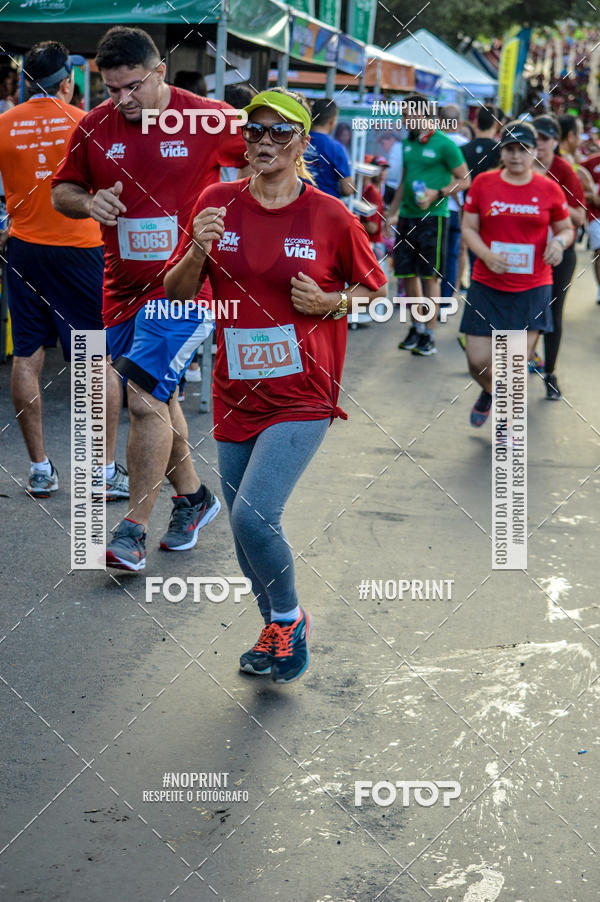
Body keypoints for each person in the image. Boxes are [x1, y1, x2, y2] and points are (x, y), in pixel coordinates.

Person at [163, 87, 387, 684]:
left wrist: (334, 301)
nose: (263, 142)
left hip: (304, 389)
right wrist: (198, 247)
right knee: (242, 521)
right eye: (254, 131)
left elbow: (374, 288)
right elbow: (178, 292)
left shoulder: (330, 215)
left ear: (301, 143)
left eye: (278, 132)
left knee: (255, 517)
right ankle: (275, 630)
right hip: (234, 387)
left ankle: (289, 621)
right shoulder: (215, 202)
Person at [52, 26, 246, 570]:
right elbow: (61, 191)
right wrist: (88, 204)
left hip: (186, 289)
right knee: (162, 400)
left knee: (140, 397)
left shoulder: (207, 118)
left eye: (132, 87)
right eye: (111, 90)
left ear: (159, 71)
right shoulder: (95, 127)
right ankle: (194, 497)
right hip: (119, 289)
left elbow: (269, 153)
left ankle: (132, 529)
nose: (122, 100)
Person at [0, 41, 128, 500]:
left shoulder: (3, 124)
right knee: (95, 362)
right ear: (68, 82)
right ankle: (103, 472)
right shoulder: (88, 122)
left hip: (24, 251)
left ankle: (39, 469)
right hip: (81, 252)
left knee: (26, 357)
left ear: (26, 82)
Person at [460, 121, 574, 427]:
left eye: (523, 149)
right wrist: (485, 255)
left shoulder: (548, 188)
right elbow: (468, 227)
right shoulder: (484, 183)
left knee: (513, 364)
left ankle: (507, 425)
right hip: (487, 284)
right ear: (503, 152)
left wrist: (559, 243)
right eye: (510, 149)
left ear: (534, 152)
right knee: (477, 361)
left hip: (533, 287)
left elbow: (566, 228)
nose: (516, 156)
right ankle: (490, 391)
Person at [387, 93, 470, 356]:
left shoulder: (445, 144)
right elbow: (403, 181)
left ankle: (430, 334)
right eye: (402, 115)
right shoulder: (407, 145)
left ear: (423, 114)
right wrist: (391, 213)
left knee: (430, 277)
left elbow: (465, 179)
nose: (403, 120)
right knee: (406, 275)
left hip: (434, 219)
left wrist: (439, 193)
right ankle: (417, 327)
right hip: (407, 216)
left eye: (407, 114)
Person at [532, 115, 585, 399]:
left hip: (559, 254)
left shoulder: (564, 171)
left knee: (552, 314)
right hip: (525, 254)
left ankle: (550, 373)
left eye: (544, 139)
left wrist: (552, 200)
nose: (539, 145)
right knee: (524, 313)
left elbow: (579, 216)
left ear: (556, 141)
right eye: (535, 139)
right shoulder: (519, 165)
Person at [439, 104, 469, 301]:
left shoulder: (435, 142)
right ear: (459, 123)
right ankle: (446, 297)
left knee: (435, 256)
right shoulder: (466, 144)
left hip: (436, 207)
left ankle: (429, 299)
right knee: (452, 255)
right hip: (458, 208)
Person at [305, 98, 354, 198]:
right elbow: (348, 189)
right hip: (326, 205)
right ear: (332, 121)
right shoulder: (336, 148)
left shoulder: (297, 141)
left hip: (298, 203)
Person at [360, 154, 388, 260]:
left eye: (384, 169)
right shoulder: (371, 190)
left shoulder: (373, 192)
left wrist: (352, 220)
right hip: (374, 244)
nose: (382, 172)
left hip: (373, 244)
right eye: (379, 168)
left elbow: (372, 227)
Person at [378, 132, 403, 206]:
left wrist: (378, 173)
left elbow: (392, 171)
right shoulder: (398, 147)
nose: (382, 147)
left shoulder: (396, 148)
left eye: (383, 143)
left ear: (392, 140)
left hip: (396, 189)